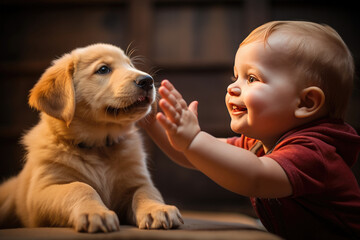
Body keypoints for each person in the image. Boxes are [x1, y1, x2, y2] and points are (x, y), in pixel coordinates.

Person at [141, 21, 360, 239]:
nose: (232, 88)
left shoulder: (314, 153)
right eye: (235, 77)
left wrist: (194, 139)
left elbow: (255, 177)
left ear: (306, 103)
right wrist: (148, 116)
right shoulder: (258, 145)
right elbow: (192, 156)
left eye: (252, 78)